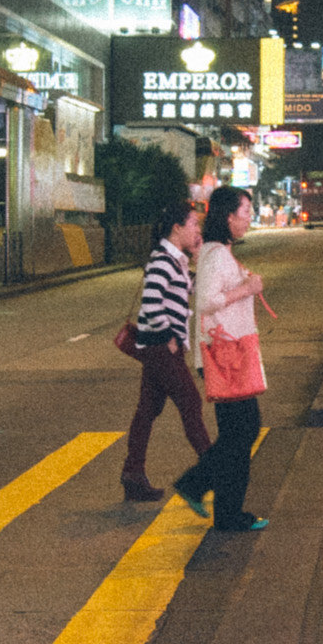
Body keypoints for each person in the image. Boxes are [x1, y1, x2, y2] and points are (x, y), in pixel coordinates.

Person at [173, 186, 276, 535]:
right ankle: (201, 489)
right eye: (245, 211)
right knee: (241, 432)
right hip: (226, 355)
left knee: (238, 433)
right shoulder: (216, 254)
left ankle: (226, 510)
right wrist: (246, 289)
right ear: (228, 216)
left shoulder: (218, 251)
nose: (249, 218)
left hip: (231, 353)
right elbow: (206, 301)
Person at [119, 193, 210, 502]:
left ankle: (133, 473)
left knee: (148, 409)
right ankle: (214, 471)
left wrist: (197, 258)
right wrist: (170, 335)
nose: (197, 229)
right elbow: (152, 304)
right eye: (193, 224)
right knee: (191, 404)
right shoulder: (161, 260)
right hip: (161, 348)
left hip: (161, 347)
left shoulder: (174, 260)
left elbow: (190, 290)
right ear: (176, 228)